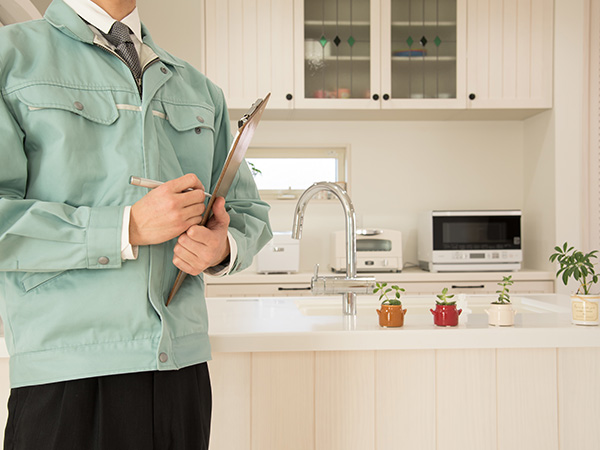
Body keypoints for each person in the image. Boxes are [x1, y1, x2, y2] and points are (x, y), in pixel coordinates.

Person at [0, 0, 272, 448]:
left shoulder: (198, 88)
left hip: (180, 376)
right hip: (68, 378)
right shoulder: (12, 58)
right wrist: (125, 227)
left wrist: (221, 248)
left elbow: (248, 213)